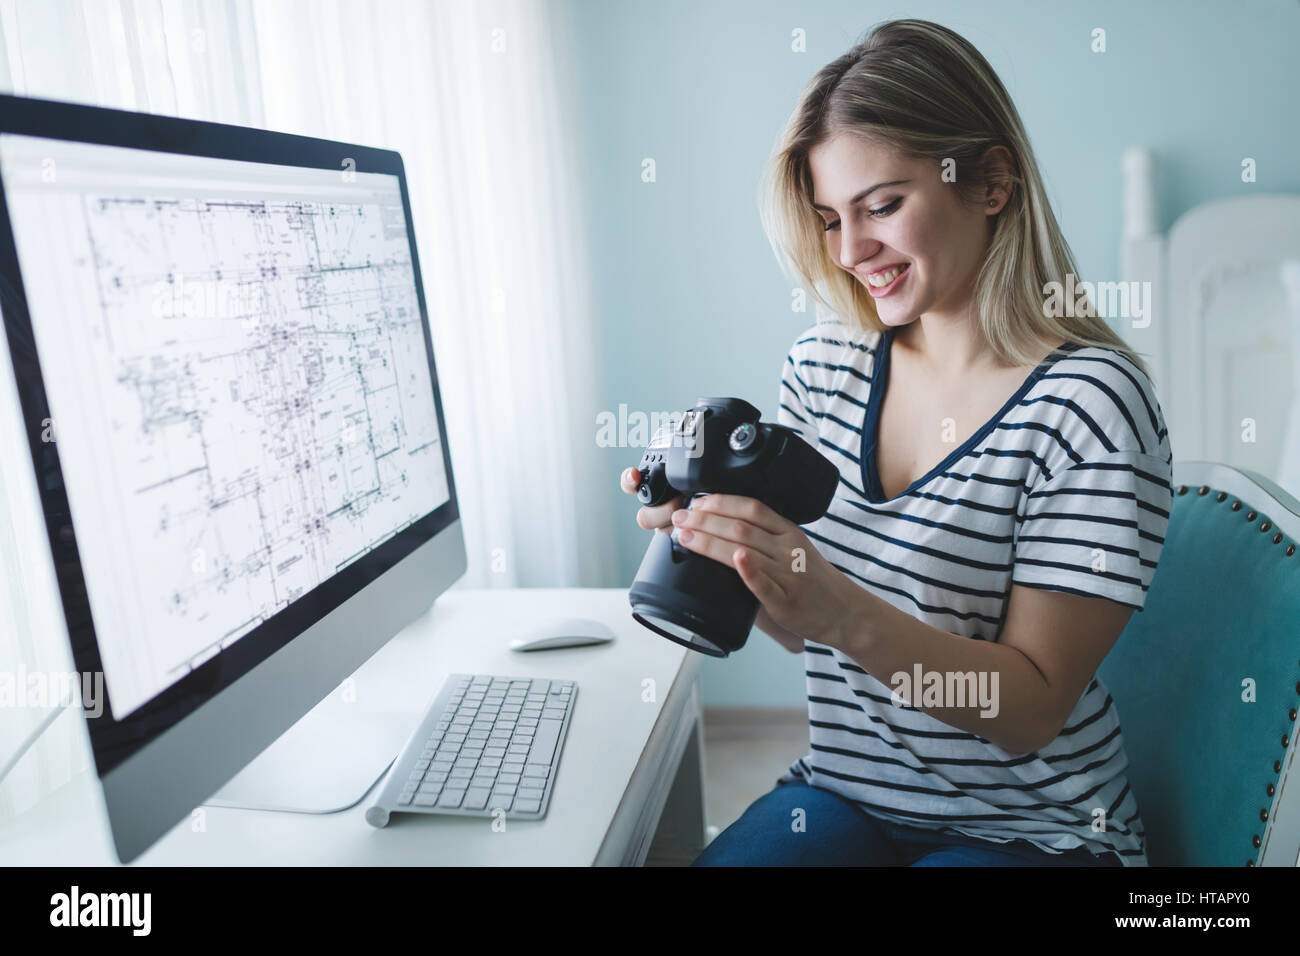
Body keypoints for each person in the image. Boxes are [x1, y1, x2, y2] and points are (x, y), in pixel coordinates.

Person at [620, 18, 1171, 866]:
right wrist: (735, 555)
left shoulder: (1090, 404)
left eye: (882, 206)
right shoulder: (824, 368)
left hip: (1033, 831)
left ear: (991, 183)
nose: (851, 251)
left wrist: (838, 607)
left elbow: (1030, 709)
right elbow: (808, 634)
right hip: (844, 795)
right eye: (830, 218)